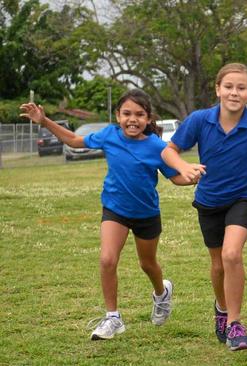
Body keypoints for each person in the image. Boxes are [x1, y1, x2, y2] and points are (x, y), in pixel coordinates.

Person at [20, 89, 192, 340]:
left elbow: (175, 177)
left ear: (147, 118)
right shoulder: (109, 135)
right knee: (107, 260)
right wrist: (45, 121)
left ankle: (161, 293)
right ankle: (113, 317)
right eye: (127, 114)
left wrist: (192, 178)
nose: (132, 119)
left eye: (139, 115)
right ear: (117, 115)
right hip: (115, 209)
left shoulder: (156, 145)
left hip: (146, 213)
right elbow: (74, 141)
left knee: (148, 264)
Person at [161, 63, 247, 351]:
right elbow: (169, 151)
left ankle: (235, 324)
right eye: (228, 86)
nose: (234, 92)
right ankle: (221, 306)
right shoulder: (199, 120)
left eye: (241, 87)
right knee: (217, 264)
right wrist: (183, 166)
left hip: (243, 198)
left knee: (232, 254)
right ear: (218, 89)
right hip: (209, 201)